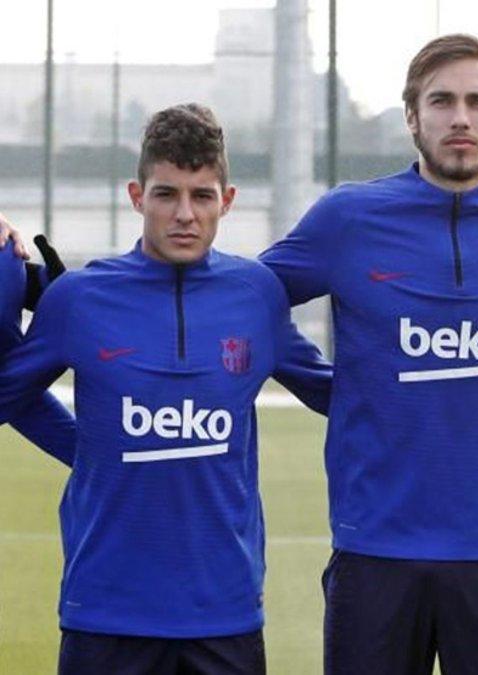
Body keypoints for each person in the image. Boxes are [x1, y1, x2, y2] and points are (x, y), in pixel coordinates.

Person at [259, 34, 478, 674]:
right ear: (412, 115)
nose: (460, 117)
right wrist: (326, 386)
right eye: (441, 100)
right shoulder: (349, 217)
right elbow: (246, 300)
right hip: (374, 549)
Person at [0, 103, 332, 675]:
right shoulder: (78, 299)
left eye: (202, 196)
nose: (185, 214)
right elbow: (9, 396)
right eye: (165, 194)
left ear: (227, 201)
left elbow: (341, 395)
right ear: (136, 196)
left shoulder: (256, 294)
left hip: (224, 616)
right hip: (104, 614)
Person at [0, 236, 75, 465]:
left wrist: (51, 287)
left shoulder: (6, 252)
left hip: (16, 382)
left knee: (98, 461)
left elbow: (22, 288)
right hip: (17, 383)